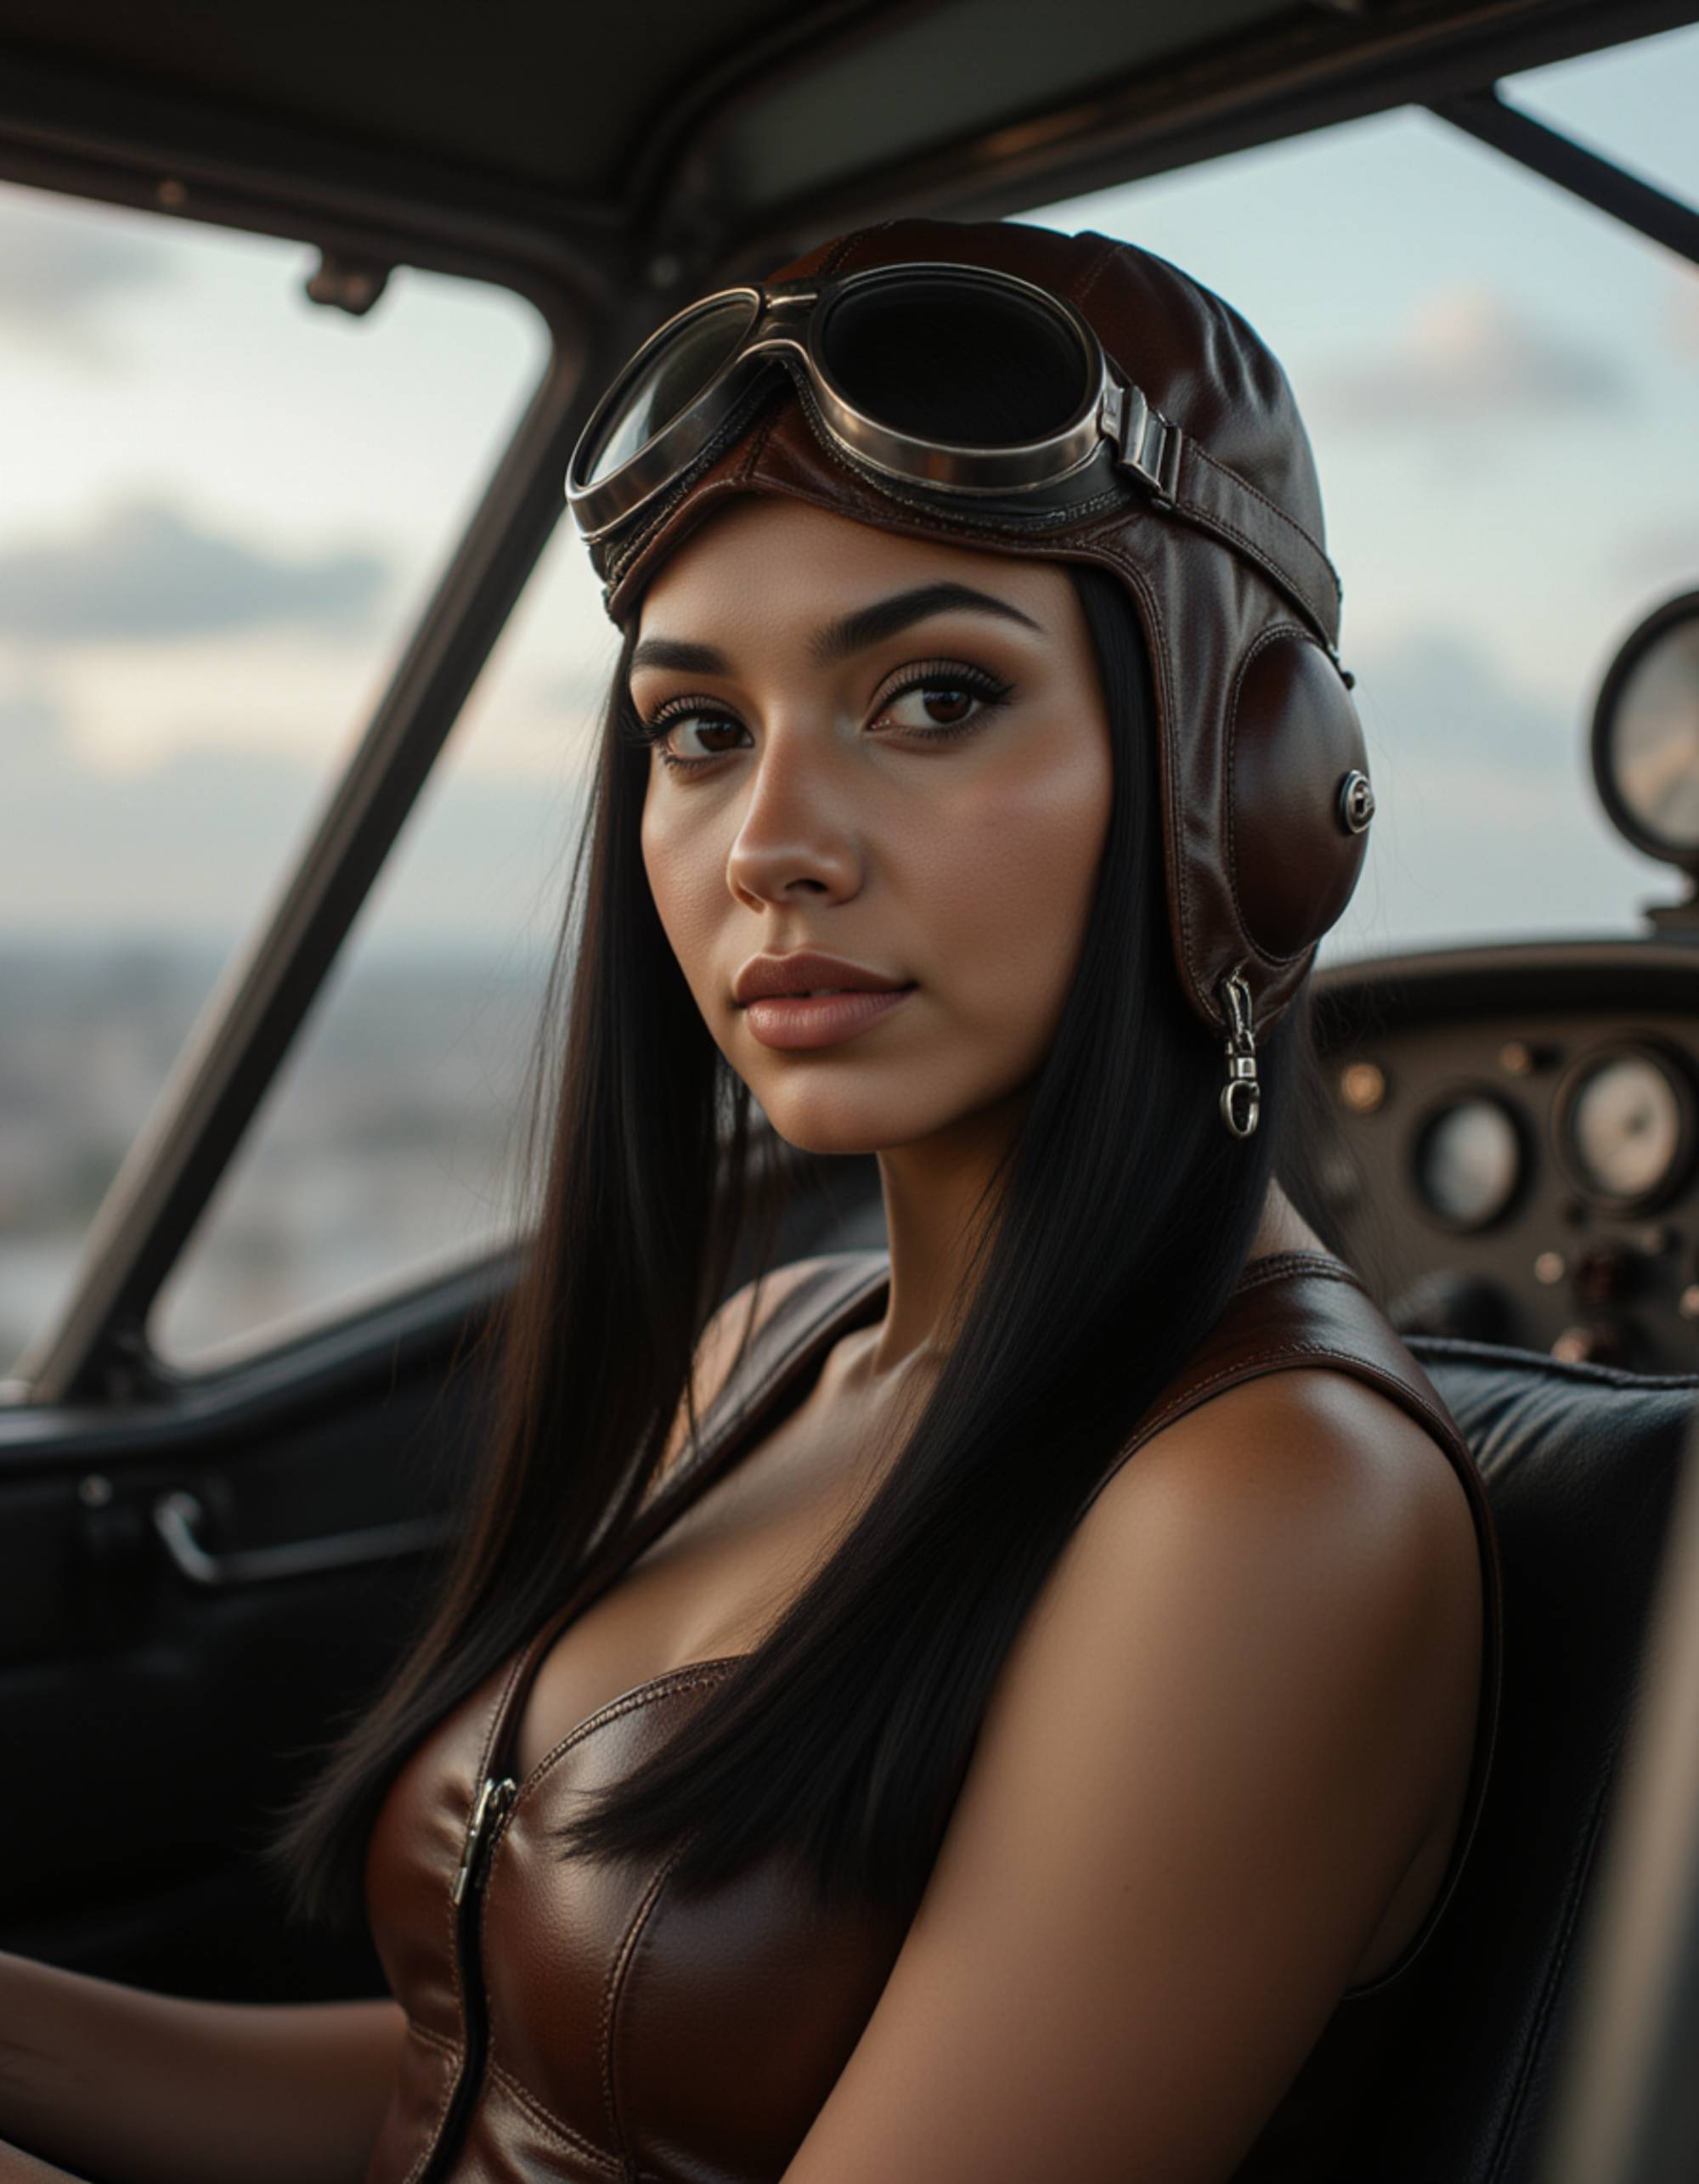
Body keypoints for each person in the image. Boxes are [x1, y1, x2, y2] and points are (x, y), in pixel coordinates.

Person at [0, 218, 1503, 2184]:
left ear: (1257, 783)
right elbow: (482, 2092)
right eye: (700, 729)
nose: (770, 842)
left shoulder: (1271, 1507)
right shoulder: (764, 1348)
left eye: (935, 697)